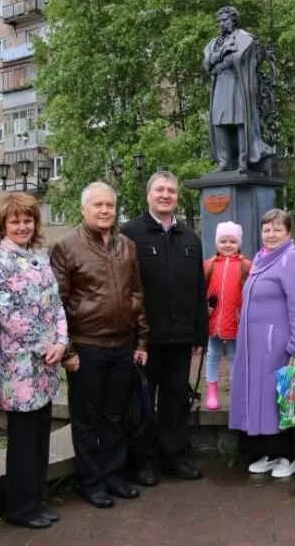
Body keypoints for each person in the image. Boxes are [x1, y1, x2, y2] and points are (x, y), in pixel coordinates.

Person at [51, 182, 148, 509]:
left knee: (115, 416)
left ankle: (114, 476)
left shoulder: (127, 246)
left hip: (122, 345)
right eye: (98, 205)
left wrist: (142, 338)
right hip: (86, 346)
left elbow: (137, 293)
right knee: (87, 418)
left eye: (109, 205)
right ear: (84, 209)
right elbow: (57, 303)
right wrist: (67, 350)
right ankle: (90, 482)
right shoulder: (66, 247)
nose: (105, 210)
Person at [0, 193, 69, 529]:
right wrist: (46, 344)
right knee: (23, 440)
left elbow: (57, 304)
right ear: (3, 224)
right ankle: (20, 508)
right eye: (15, 221)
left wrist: (61, 342)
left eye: (27, 220)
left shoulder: (39, 256)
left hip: (46, 363)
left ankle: (37, 501)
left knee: (40, 435)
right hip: (19, 366)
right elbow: (6, 312)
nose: (22, 226)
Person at [121, 171, 208, 485]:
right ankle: (143, 462)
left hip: (181, 337)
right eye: (159, 189)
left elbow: (199, 289)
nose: (166, 195)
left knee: (175, 401)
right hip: (145, 340)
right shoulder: (129, 234)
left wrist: (200, 333)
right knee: (142, 403)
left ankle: (175, 457)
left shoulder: (190, 238)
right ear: (148, 195)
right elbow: (124, 288)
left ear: (177, 197)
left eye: (171, 190)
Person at [230, 208, 295, 478]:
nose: (271, 234)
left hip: (280, 344)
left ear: (288, 232)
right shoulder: (260, 258)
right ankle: (269, 452)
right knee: (263, 400)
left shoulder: (292, 258)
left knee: (285, 397)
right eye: (267, 229)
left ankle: (290, 456)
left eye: (278, 229)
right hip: (255, 347)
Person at [203, 5, 275, 171]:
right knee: (219, 122)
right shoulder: (214, 43)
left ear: (233, 20)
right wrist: (222, 54)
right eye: (219, 21)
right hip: (220, 86)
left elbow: (237, 58)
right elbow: (207, 64)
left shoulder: (243, 37)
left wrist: (218, 60)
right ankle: (224, 161)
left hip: (237, 85)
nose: (221, 24)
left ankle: (243, 161)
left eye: (225, 20)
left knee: (240, 121)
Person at [203, 221, 251, 410]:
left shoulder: (246, 265)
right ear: (217, 243)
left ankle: (236, 392)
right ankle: (212, 393)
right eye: (223, 241)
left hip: (236, 320)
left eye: (232, 241)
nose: (228, 245)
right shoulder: (209, 265)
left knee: (234, 356)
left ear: (239, 243)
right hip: (213, 319)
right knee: (212, 355)